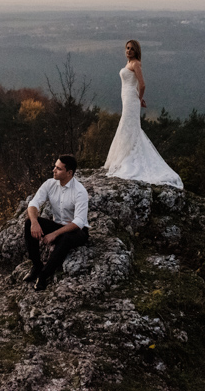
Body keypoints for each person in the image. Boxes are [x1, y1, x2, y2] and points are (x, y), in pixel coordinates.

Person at [103, 39, 184, 189]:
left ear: (136, 51)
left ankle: (127, 159)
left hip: (131, 100)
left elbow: (142, 84)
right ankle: (124, 158)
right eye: (127, 48)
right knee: (127, 126)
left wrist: (139, 99)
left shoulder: (135, 64)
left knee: (128, 126)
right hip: (127, 98)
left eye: (131, 49)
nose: (128, 51)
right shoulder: (129, 63)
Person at [23, 155, 90, 291]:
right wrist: (34, 222)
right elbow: (34, 203)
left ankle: (43, 276)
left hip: (77, 231)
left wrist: (54, 234)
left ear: (69, 173)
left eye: (58, 169)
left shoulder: (79, 191)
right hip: (58, 225)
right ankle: (37, 265)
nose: (54, 170)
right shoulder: (50, 184)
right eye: (55, 166)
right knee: (28, 223)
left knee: (65, 238)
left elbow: (79, 222)